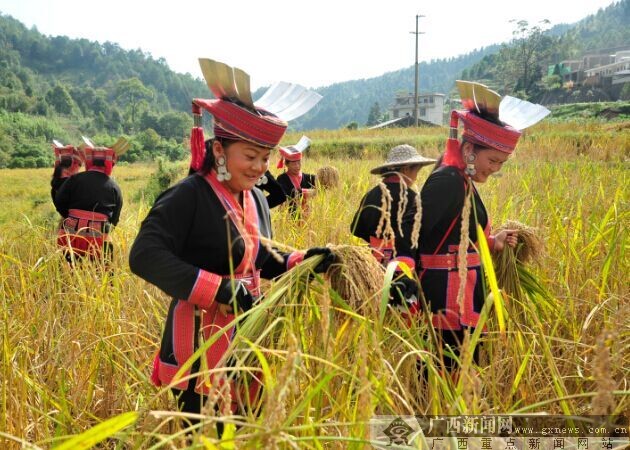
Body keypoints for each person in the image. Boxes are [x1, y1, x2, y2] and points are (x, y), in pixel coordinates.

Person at [128, 58, 332, 433]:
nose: (259, 168)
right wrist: (218, 288)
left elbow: (262, 258)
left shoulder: (253, 199)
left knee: (244, 433)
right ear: (219, 152)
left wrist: (303, 260)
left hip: (249, 336)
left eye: (265, 158)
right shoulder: (188, 195)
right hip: (199, 343)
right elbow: (143, 256)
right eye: (250, 157)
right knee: (204, 437)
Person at [400, 80, 549, 371]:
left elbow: (459, 233)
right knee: (444, 375)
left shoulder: (463, 181)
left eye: (501, 163)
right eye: (492, 160)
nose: (495, 168)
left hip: (462, 296)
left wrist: (493, 242)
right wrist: (405, 287)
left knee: (460, 373)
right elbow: (408, 231)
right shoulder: (448, 181)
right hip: (444, 300)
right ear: (468, 149)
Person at [351, 144, 435, 267]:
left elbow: (356, 228)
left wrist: (377, 242)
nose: (415, 178)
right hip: (404, 265)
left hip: (374, 265)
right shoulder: (412, 198)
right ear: (406, 169)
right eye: (416, 172)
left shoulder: (371, 195)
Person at [54, 138, 125, 262]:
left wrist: (71, 218)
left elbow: (59, 201)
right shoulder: (114, 186)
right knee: (104, 271)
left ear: (89, 162)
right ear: (109, 164)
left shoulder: (74, 179)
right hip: (99, 235)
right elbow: (115, 219)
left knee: (68, 270)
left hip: (71, 232)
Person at [276, 136, 316, 216]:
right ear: (286, 164)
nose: (297, 166)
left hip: (308, 218)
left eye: (299, 162)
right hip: (288, 218)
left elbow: (322, 187)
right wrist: (310, 192)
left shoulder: (309, 178)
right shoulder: (282, 179)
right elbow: (289, 195)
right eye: (294, 163)